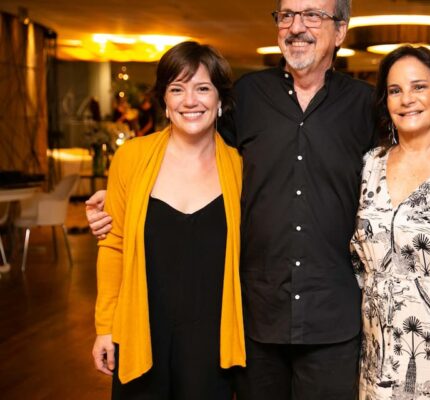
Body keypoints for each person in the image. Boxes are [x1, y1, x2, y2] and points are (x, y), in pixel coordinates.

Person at [88, 0, 372, 398]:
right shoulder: (250, 96)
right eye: (287, 15)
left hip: (311, 320)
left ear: (340, 31)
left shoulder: (365, 105)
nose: (296, 26)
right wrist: (118, 202)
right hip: (235, 322)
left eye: (312, 15)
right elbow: (120, 237)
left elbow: (394, 177)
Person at [90, 41, 245, 399]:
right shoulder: (132, 158)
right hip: (141, 330)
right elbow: (113, 246)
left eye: (202, 88)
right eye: (177, 89)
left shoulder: (240, 167)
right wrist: (104, 327)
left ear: (220, 99)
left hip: (212, 341)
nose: (190, 101)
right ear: (164, 100)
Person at [351, 45, 430, 399]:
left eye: (419, 87)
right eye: (395, 90)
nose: (406, 99)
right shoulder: (368, 166)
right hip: (378, 360)